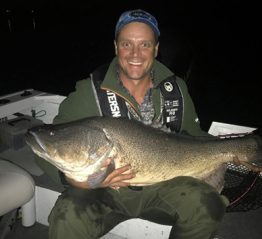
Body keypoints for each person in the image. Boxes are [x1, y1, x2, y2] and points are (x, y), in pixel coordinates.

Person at [36, 9, 229, 239]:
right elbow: (50, 144)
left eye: (144, 45)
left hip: (166, 186)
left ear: (156, 49)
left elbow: (194, 136)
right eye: (127, 44)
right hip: (105, 193)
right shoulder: (89, 92)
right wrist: (74, 180)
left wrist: (232, 152)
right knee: (67, 217)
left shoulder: (176, 89)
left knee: (208, 207)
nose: (135, 53)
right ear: (116, 47)